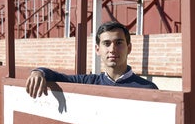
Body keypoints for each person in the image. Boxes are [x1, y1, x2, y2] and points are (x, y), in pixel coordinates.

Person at [26, 21, 158, 98]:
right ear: (97, 49)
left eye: (118, 43)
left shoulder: (148, 89)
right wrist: (38, 72)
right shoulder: (88, 82)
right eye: (106, 43)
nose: (112, 49)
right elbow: (59, 77)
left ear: (129, 48)